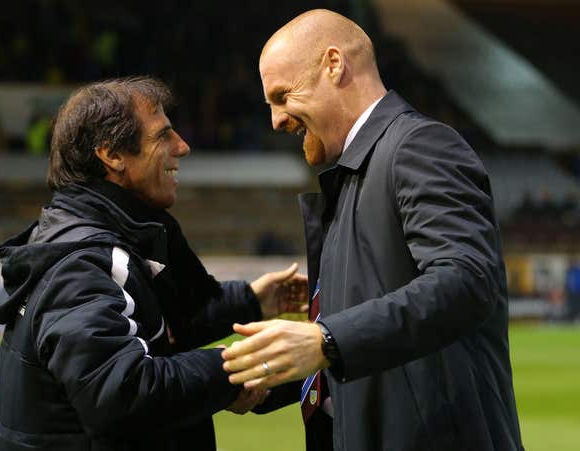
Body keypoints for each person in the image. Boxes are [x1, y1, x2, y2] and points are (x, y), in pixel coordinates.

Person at [222, 9, 524, 451]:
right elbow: (366, 341)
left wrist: (324, 340)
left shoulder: (419, 146)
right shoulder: (355, 174)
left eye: (283, 95)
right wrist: (278, 377)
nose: (275, 120)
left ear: (334, 64)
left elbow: (466, 280)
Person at [0, 76, 306, 451]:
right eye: (163, 136)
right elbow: (120, 390)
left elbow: (154, 330)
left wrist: (253, 301)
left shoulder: (90, 235)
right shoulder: (83, 261)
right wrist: (231, 370)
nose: (183, 147)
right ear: (112, 154)